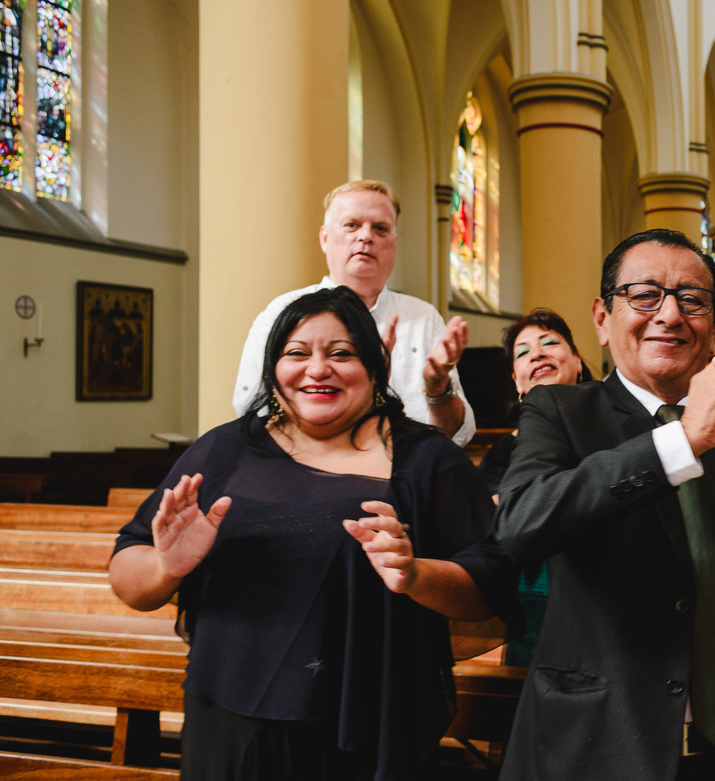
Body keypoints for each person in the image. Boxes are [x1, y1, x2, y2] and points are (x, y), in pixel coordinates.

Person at [494, 229, 715, 781]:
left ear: (713, 325)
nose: (669, 314)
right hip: (605, 741)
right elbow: (521, 524)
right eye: (644, 295)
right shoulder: (561, 411)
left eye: (691, 300)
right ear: (601, 315)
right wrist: (679, 443)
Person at [109, 287, 517, 780]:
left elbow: (488, 588)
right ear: (273, 367)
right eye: (296, 353)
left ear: (373, 365)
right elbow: (130, 575)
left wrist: (415, 573)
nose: (317, 369)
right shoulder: (223, 452)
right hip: (230, 718)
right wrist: (166, 566)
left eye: (341, 353)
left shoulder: (427, 461)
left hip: (366, 722)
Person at [232, 179, 475, 446]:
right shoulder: (281, 312)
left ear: (393, 243)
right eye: (352, 225)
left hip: (410, 475)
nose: (366, 236)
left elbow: (454, 434)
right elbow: (252, 413)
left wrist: (438, 388)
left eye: (380, 228)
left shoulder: (423, 318)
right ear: (325, 238)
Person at [478, 308, 591, 666]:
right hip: (537, 600)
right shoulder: (503, 451)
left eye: (549, 343)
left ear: (577, 361)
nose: (537, 354)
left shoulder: (611, 426)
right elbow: (497, 519)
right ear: (517, 379)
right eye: (523, 352)